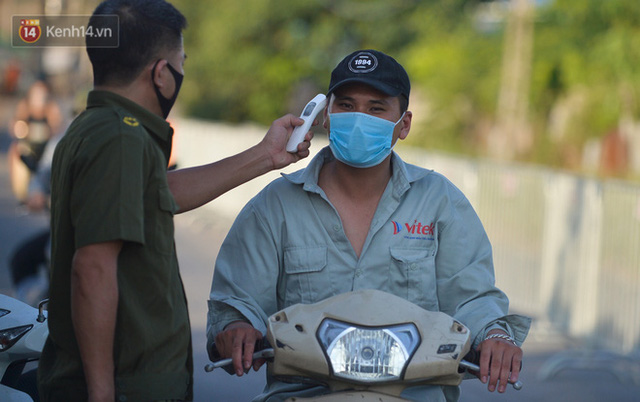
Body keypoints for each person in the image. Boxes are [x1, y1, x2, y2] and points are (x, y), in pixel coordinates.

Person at [207, 49, 531, 401]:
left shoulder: (440, 201)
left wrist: (496, 335)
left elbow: (472, 297)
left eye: (376, 108)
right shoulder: (274, 206)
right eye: (346, 105)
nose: (359, 118)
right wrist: (236, 326)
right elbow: (237, 300)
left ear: (403, 124)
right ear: (326, 115)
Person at [37, 1, 314, 401]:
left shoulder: (96, 128)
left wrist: (265, 156)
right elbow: (92, 269)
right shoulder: (121, 139)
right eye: (180, 61)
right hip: (127, 387)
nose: (182, 70)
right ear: (162, 73)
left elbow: (162, 193)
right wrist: (101, 394)